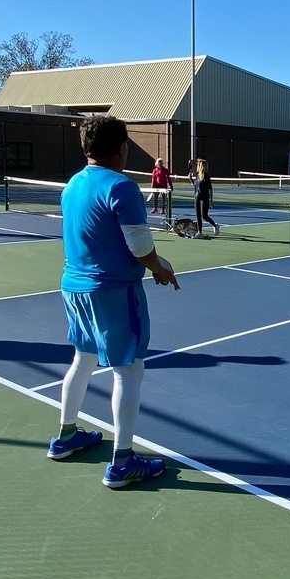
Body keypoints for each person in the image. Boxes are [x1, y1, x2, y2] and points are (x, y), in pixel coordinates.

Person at [47, 115, 181, 489]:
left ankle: (66, 435)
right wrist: (162, 268)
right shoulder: (122, 187)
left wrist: (151, 263)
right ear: (122, 148)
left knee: (83, 359)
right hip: (113, 292)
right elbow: (140, 247)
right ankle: (122, 462)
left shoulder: (72, 184)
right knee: (128, 371)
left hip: (73, 287)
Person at [189, 158, 220, 236]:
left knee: (204, 215)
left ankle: (215, 225)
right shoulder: (197, 175)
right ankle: (200, 232)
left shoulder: (206, 177)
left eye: (199, 164)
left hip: (204, 198)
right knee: (198, 215)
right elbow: (195, 185)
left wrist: (211, 200)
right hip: (197, 197)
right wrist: (190, 179)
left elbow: (210, 189)